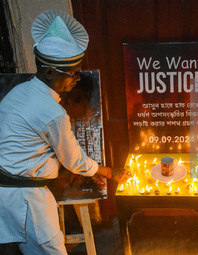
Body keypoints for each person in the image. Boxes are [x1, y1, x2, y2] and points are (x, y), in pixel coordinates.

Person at [0, 10, 127, 254]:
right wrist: (109, 172)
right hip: (28, 201)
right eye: (73, 73)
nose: (77, 79)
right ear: (49, 72)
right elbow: (75, 161)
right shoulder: (52, 112)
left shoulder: (18, 93)